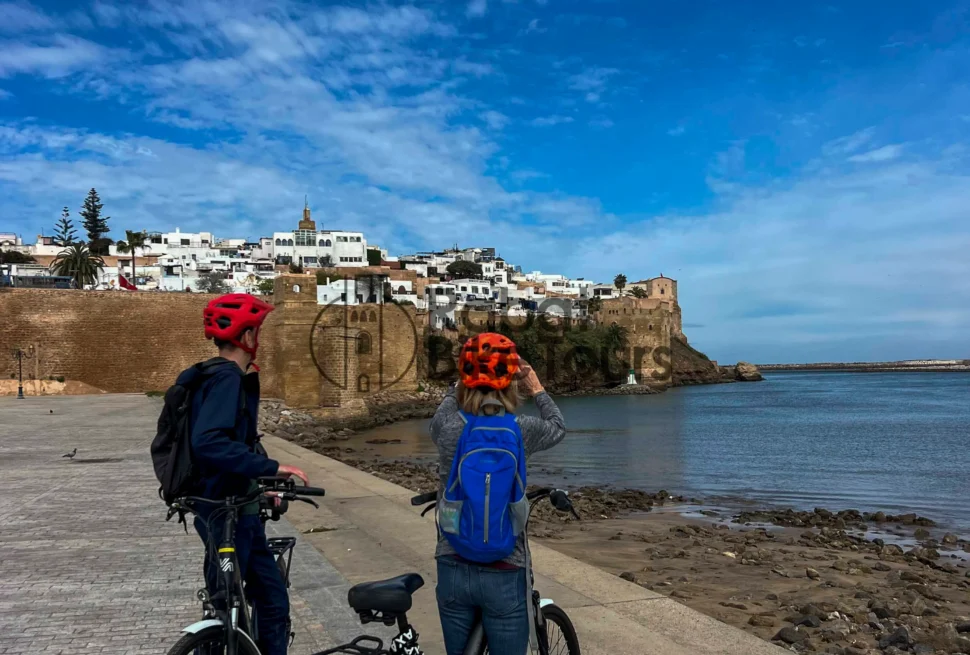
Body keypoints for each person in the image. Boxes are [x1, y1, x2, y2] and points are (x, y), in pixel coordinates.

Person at [184, 293, 307, 655]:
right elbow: (209, 442)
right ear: (248, 336)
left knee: (228, 602)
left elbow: (222, 447)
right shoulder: (227, 379)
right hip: (232, 514)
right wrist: (271, 468)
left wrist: (258, 487)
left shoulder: (205, 375)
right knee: (268, 602)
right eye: (258, 331)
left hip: (220, 503)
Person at [430, 332, 566, 655]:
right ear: (511, 381)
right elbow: (558, 426)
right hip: (505, 566)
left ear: (465, 377)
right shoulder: (520, 428)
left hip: (452, 560)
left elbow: (439, 419)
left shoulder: (448, 427)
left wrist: (459, 383)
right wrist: (537, 388)